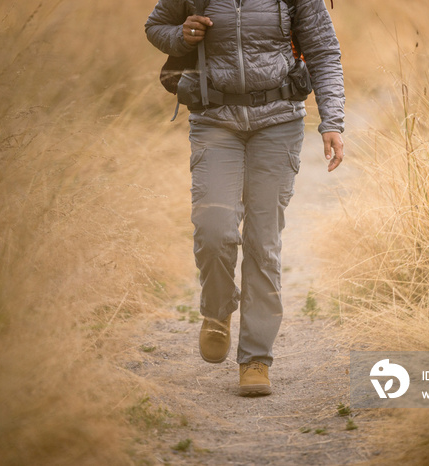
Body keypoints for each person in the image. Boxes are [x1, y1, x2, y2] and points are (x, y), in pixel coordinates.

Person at [145, 0, 344, 396]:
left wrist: (332, 120)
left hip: (279, 122)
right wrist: (182, 34)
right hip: (214, 121)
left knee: (262, 241)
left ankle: (256, 358)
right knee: (214, 229)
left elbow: (324, 52)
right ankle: (217, 313)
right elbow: (156, 26)